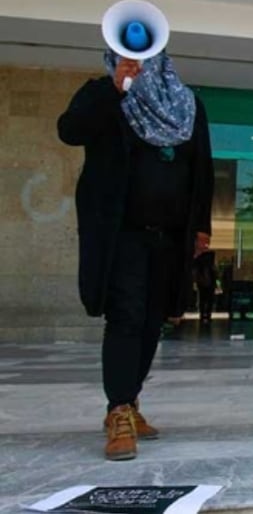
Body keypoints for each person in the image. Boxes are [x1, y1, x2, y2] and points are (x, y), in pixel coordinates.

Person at [58, 48, 213, 461]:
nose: (139, 65)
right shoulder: (103, 95)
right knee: (125, 315)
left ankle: (129, 400)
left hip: (171, 234)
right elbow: (70, 130)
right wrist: (114, 90)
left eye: (147, 57)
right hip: (121, 233)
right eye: (127, 56)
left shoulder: (187, 103)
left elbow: (202, 168)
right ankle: (119, 410)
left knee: (153, 320)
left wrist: (201, 226)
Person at [193, 249, 217, 324]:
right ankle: (207, 315)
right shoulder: (210, 266)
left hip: (203, 284)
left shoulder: (201, 265)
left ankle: (203, 315)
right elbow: (214, 275)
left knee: (203, 300)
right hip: (208, 285)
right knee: (208, 300)